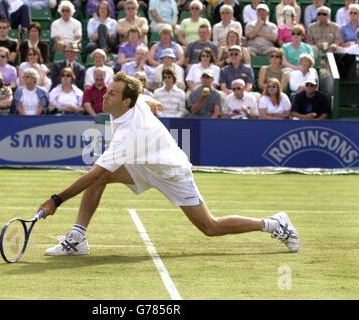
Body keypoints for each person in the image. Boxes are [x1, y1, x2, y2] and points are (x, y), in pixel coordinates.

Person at [38, 71, 300, 256]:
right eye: (107, 91)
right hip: (145, 164)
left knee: (210, 227)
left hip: (172, 172)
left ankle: (275, 224)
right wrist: (153, 102)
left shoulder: (129, 133)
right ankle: (78, 236)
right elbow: (144, 98)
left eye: (112, 94)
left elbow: (92, 174)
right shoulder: (134, 102)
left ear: (125, 102)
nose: (105, 97)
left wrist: (56, 200)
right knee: (102, 177)